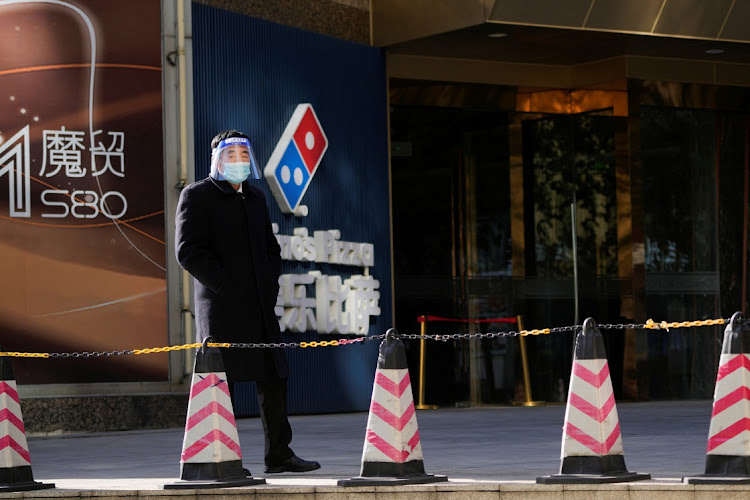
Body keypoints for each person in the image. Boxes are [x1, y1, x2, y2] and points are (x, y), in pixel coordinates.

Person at [175, 129, 320, 474]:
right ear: (217, 159)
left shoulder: (255, 197)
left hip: (259, 305)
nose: (238, 162)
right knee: (219, 382)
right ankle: (218, 456)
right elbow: (188, 251)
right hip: (223, 308)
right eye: (231, 155)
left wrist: (269, 282)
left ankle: (280, 454)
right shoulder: (197, 196)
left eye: (244, 155)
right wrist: (226, 283)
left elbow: (271, 246)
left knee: (274, 376)